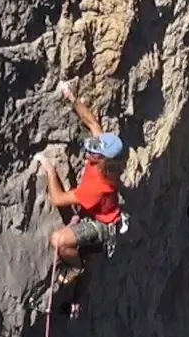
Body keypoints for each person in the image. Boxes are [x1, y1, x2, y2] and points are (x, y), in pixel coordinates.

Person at [36, 81, 125, 279]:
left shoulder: (97, 186)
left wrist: (50, 170)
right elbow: (92, 122)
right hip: (100, 210)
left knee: (58, 240)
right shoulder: (107, 159)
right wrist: (72, 98)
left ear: (102, 159)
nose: (90, 150)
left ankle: (76, 267)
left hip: (102, 225)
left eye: (94, 151)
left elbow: (58, 199)